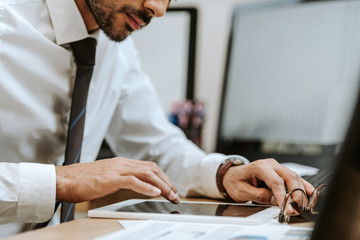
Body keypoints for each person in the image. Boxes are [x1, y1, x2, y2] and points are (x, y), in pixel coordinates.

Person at [0, 0, 314, 237]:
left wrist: (224, 174)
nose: (158, 8)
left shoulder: (114, 48)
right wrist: (61, 181)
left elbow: (157, 146)